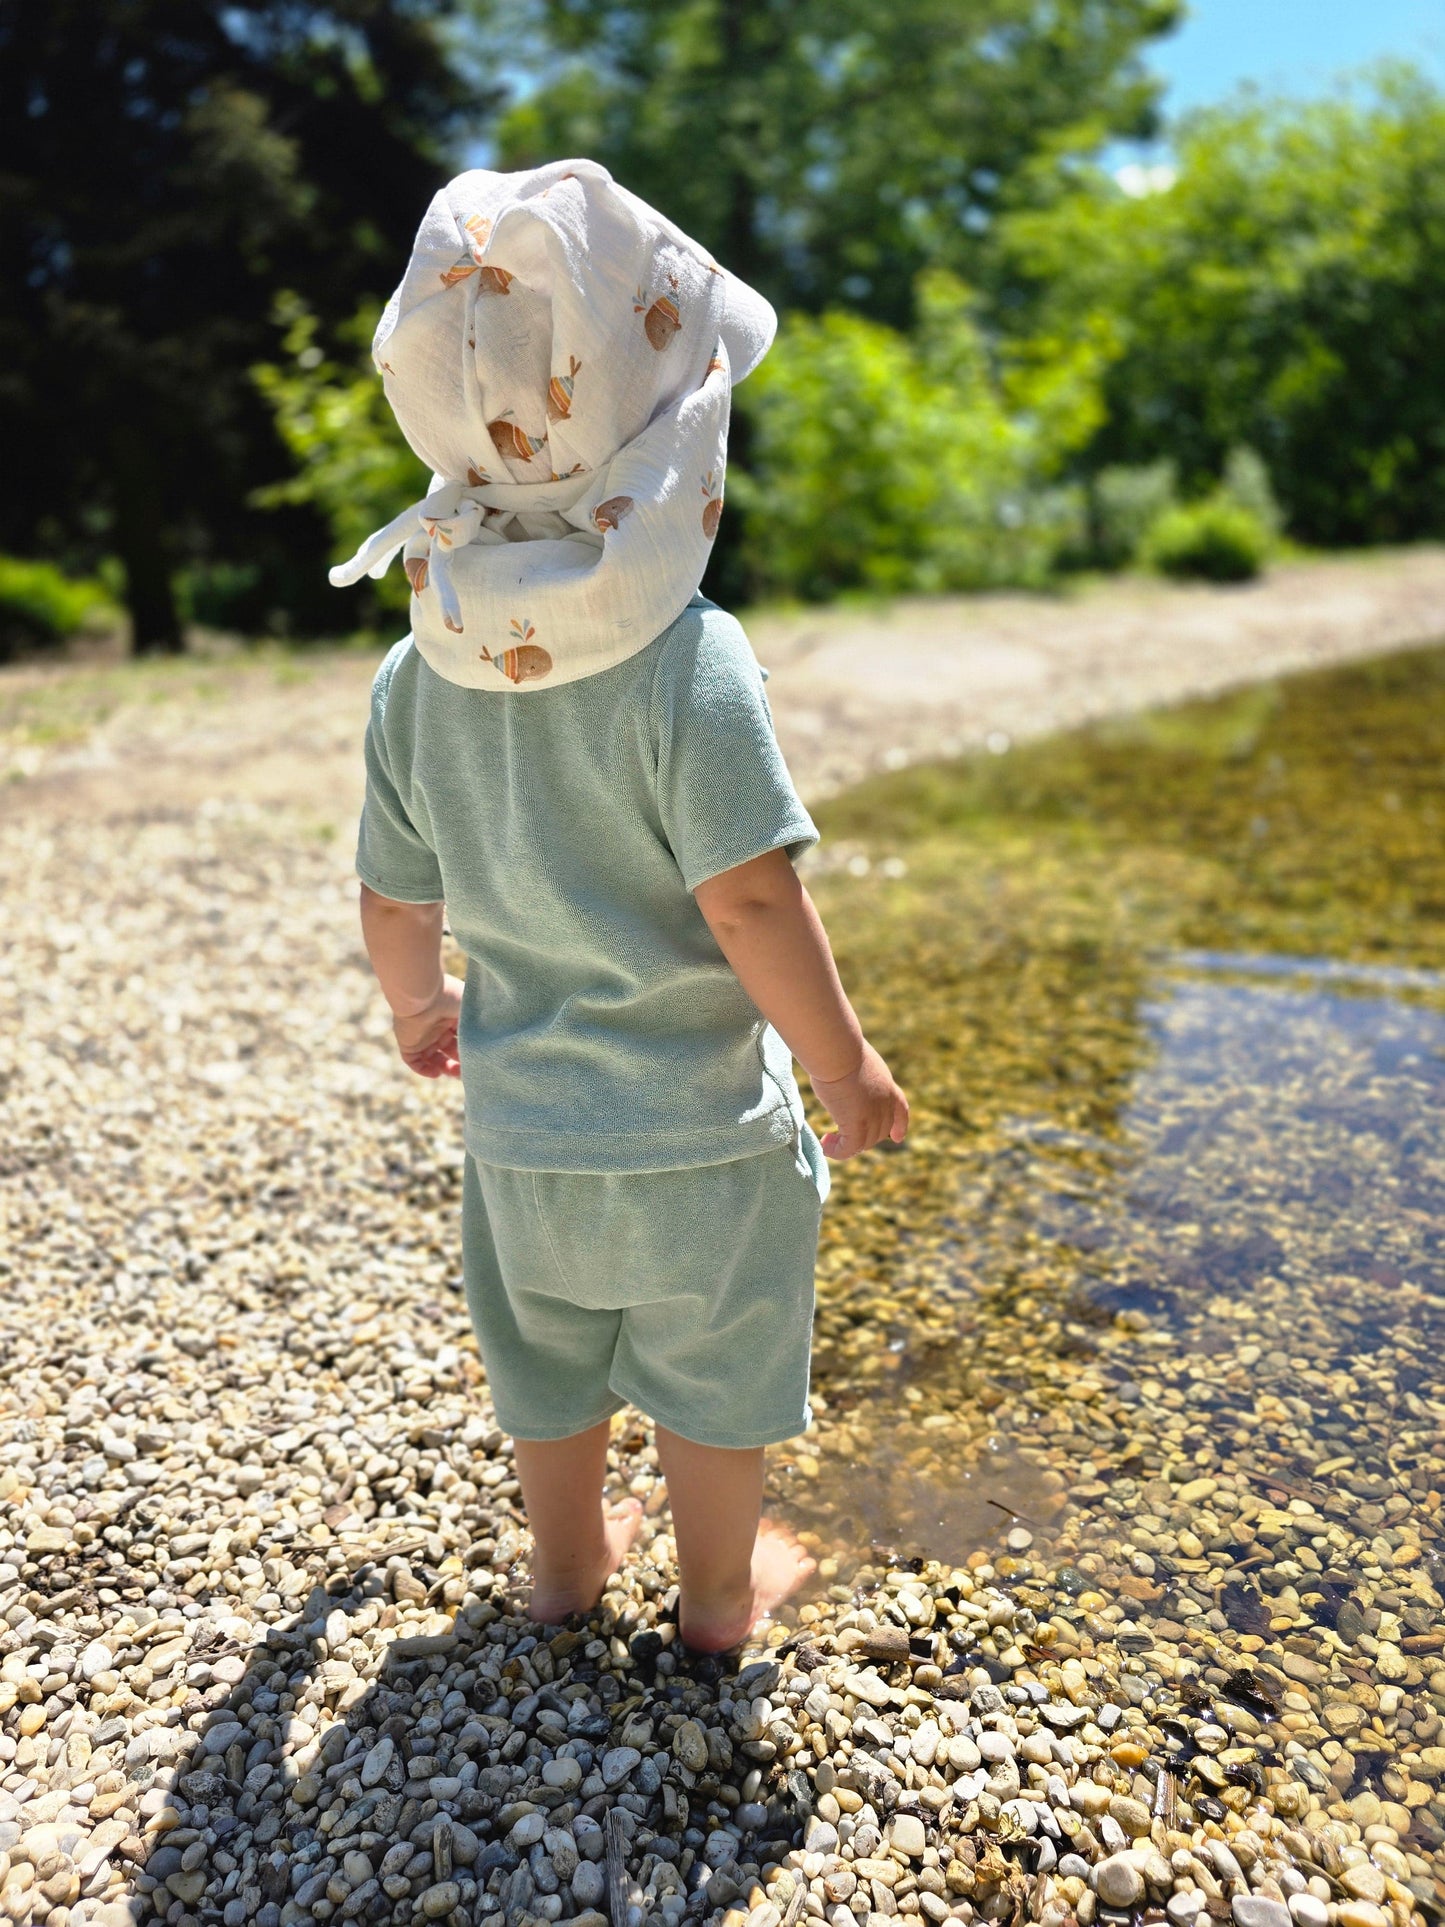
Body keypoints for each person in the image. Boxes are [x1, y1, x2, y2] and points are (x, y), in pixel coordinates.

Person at [335, 158, 908, 1651]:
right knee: (715, 1382)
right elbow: (749, 906)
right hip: (701, 1149)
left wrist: (418, 1010)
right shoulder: (688, 660)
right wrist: (842, 1067)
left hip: (523, 1141)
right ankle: (716, 1602)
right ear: (670, 431)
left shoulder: (419, 669)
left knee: (549, 1373)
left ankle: (566, 1572)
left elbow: (394, 896)